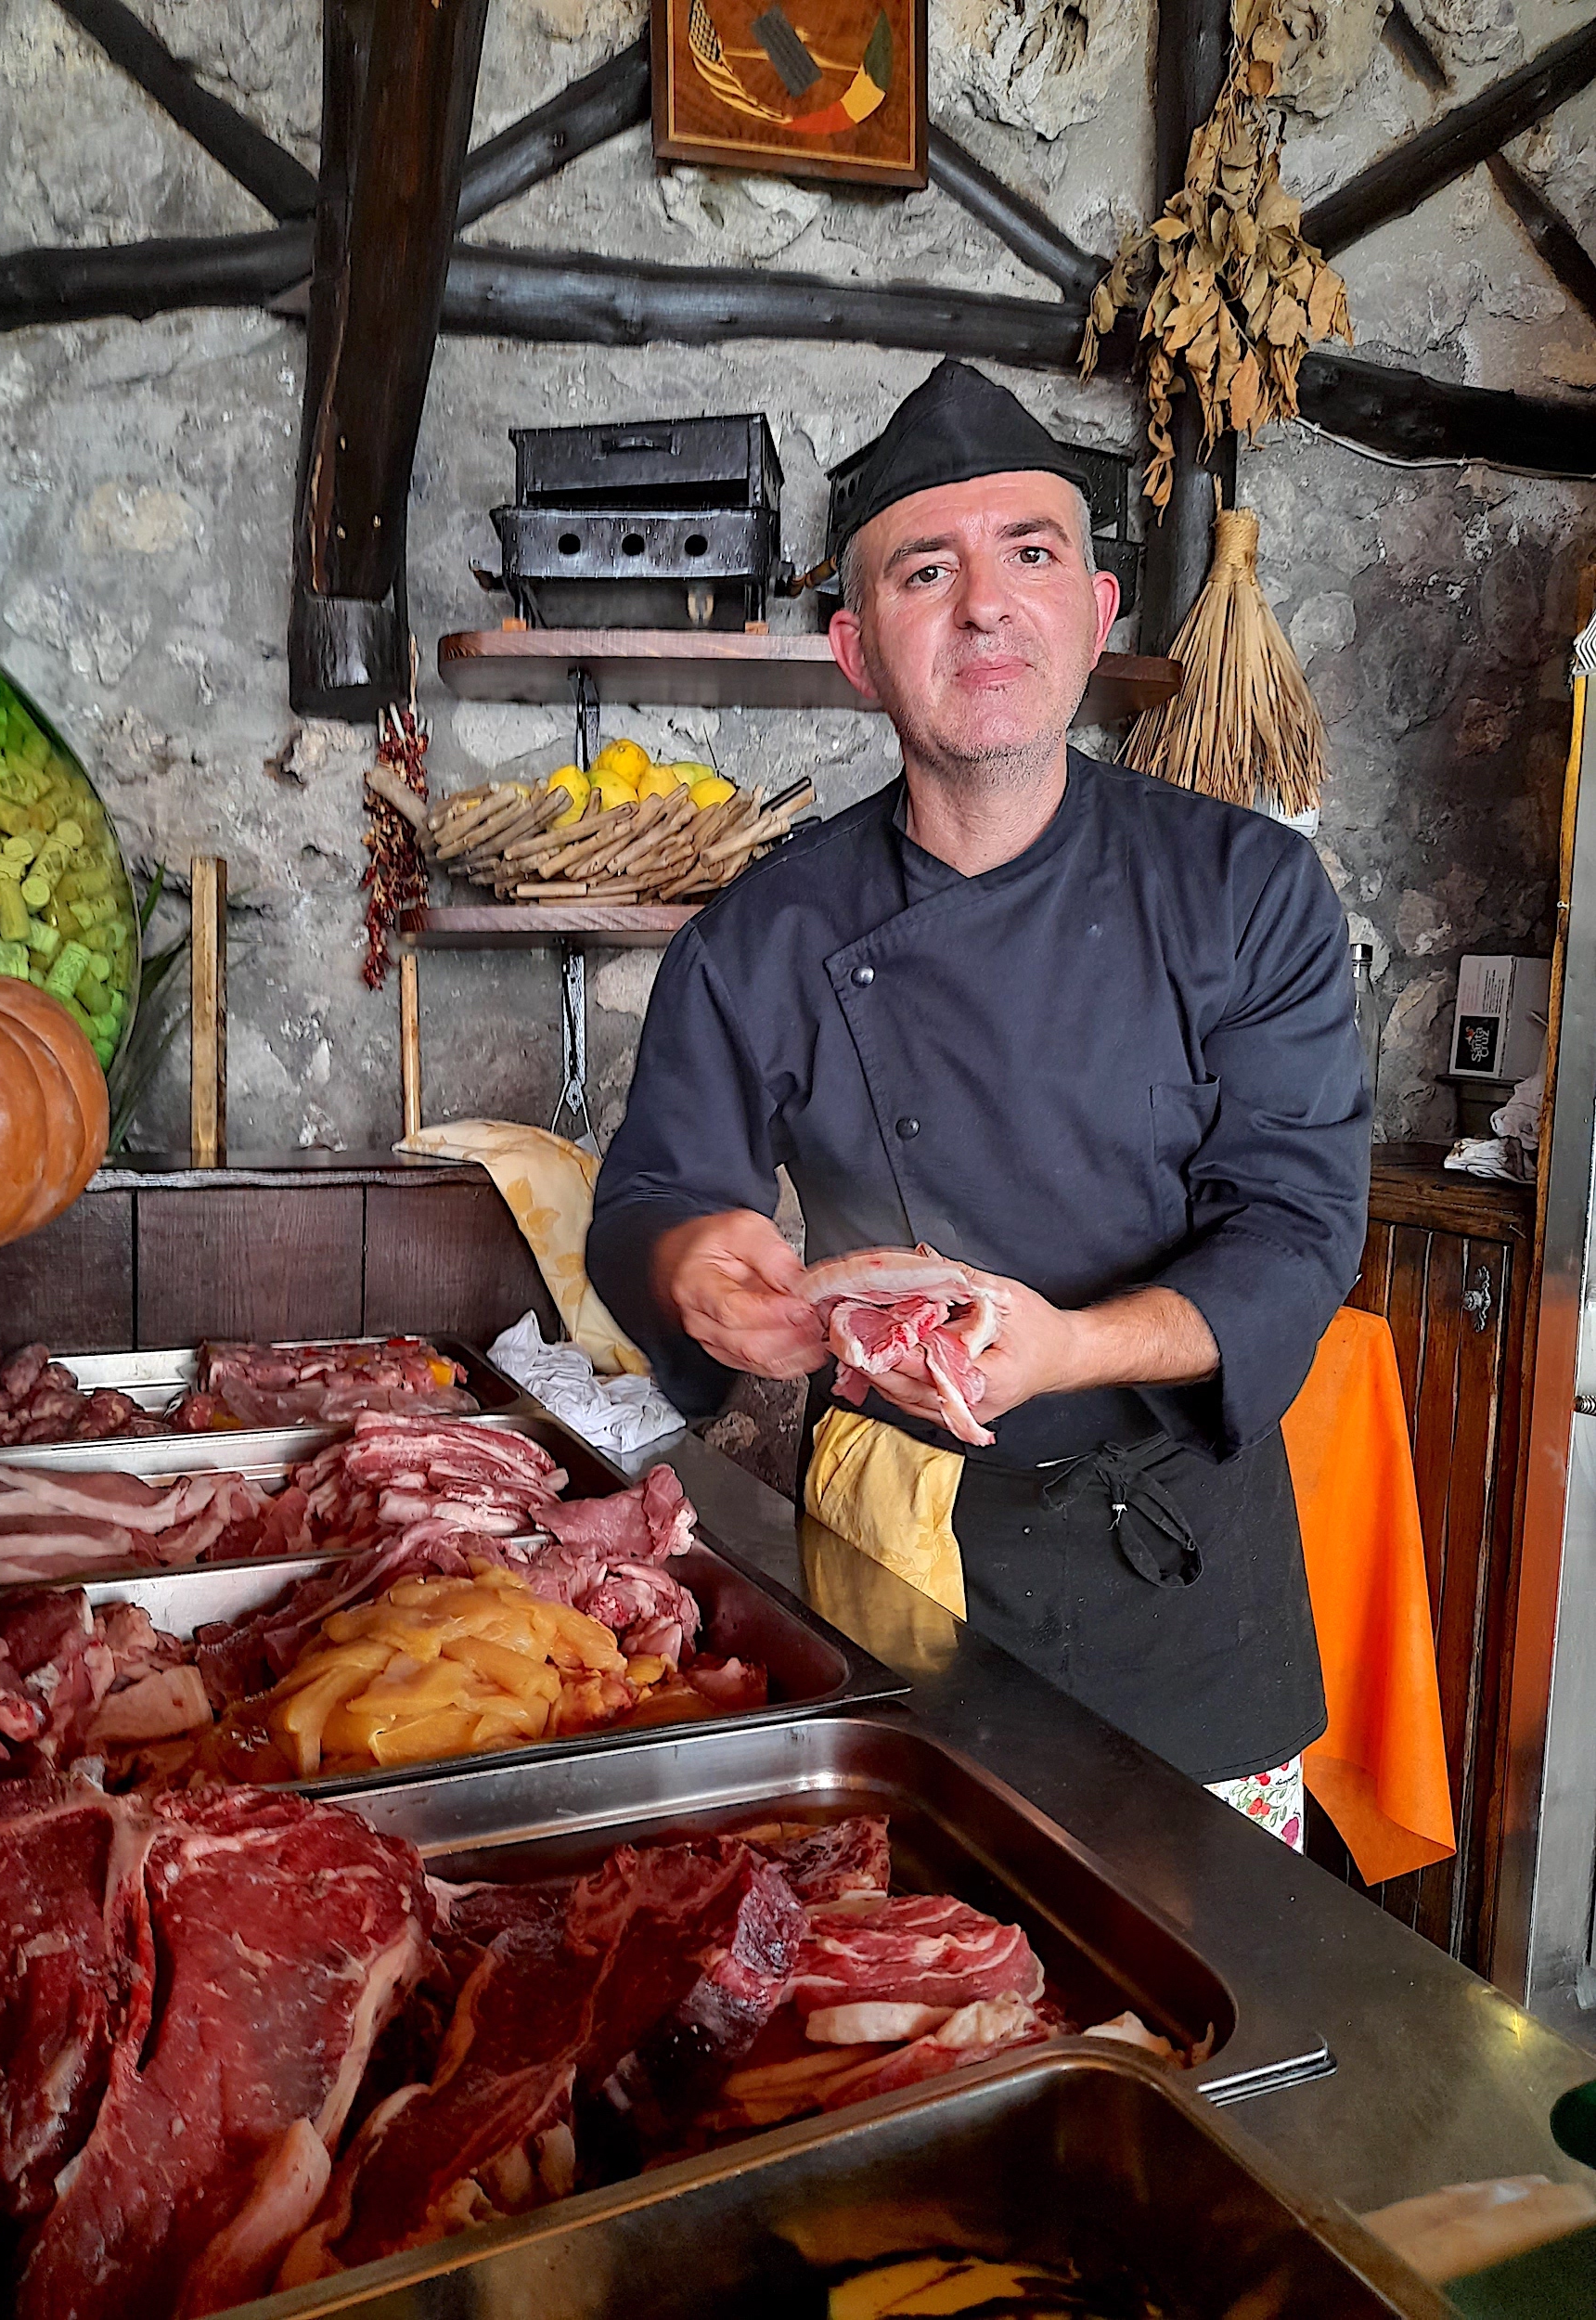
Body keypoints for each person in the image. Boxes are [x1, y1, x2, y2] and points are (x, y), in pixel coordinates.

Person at [586, 357, 1371, 1826]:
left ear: (1097, 611)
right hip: (887, 1570)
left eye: (1032, 554)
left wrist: (1066, 1345)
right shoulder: (765, 930)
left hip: (1180, 1594)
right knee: (898, 2010)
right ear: (856, 653)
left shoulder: (1246, 890)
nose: (985, 602)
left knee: (1188, 2023)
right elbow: (651, 1196)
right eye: (923, 571)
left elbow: (1295, 1233)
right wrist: (698, 1268)